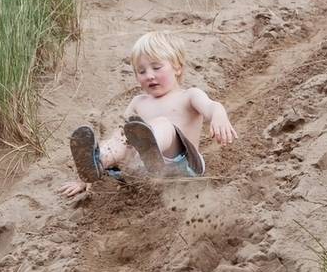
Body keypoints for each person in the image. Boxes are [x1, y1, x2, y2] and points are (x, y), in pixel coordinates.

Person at [58, 31, 238, 197]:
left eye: (156, 67)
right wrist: (98, 161)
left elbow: (211, 106)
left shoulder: (189, 96)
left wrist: (219, 115)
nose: (149, 75)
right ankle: (96, 164)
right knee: (120, 139)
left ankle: (148, 155)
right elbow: (120, 135)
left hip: (183, 167)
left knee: (162, 124)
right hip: (142, 170)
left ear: (177, 68)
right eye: (141, 71)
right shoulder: (138, 103)